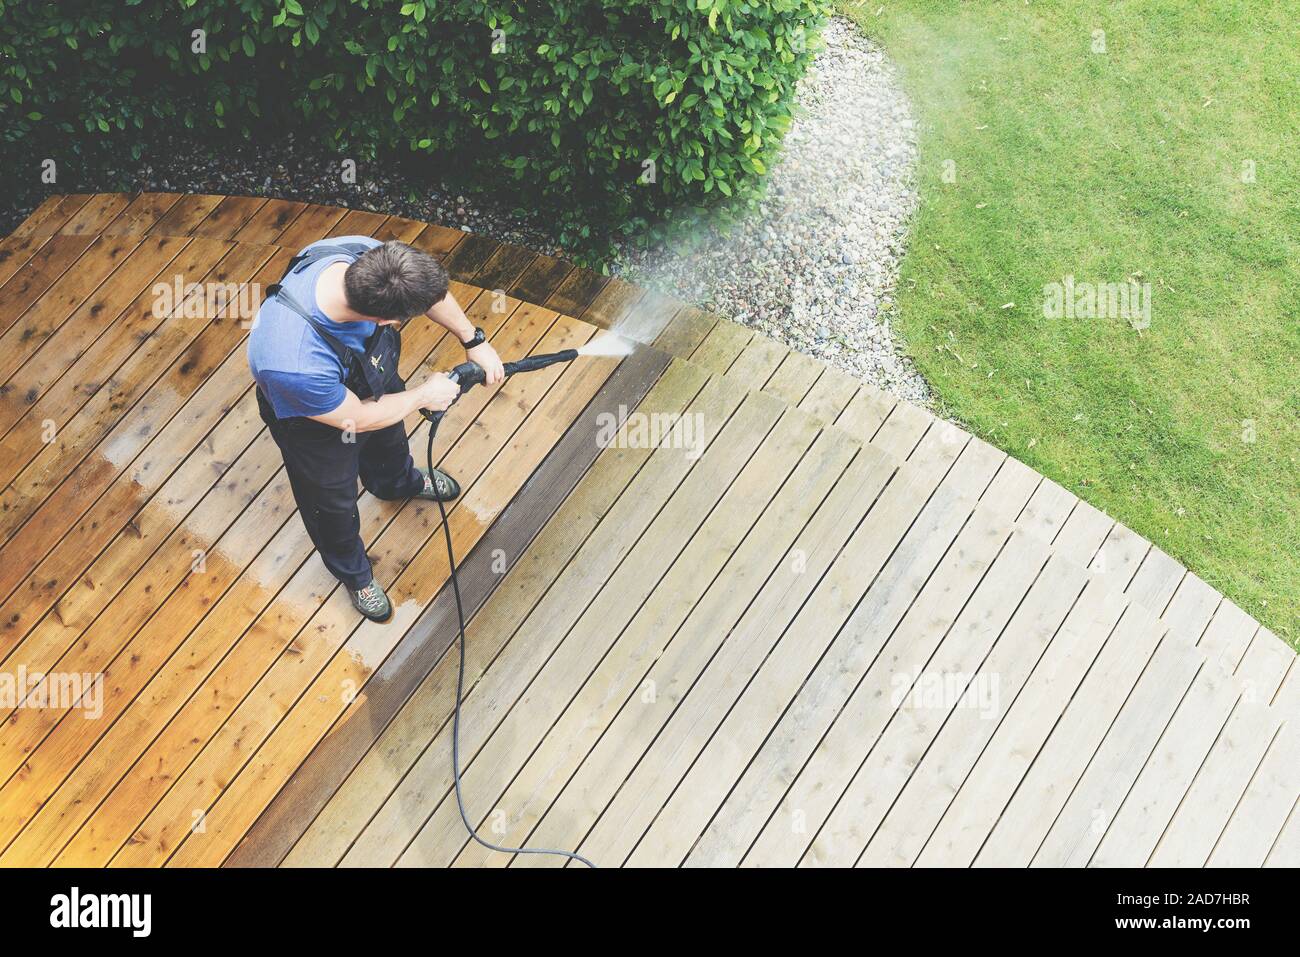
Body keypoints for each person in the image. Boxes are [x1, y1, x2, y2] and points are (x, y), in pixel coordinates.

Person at [247, 236, 504, 622]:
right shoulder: (291, 359)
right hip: (314, 421)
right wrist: (423, 396)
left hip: (369, 379)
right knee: (330, 503)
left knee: (390, 442)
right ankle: (355, 574)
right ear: (387, 321)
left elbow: (430, 293)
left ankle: (397, 483)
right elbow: (357, 419)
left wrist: (474, 339)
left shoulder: (368, 258)